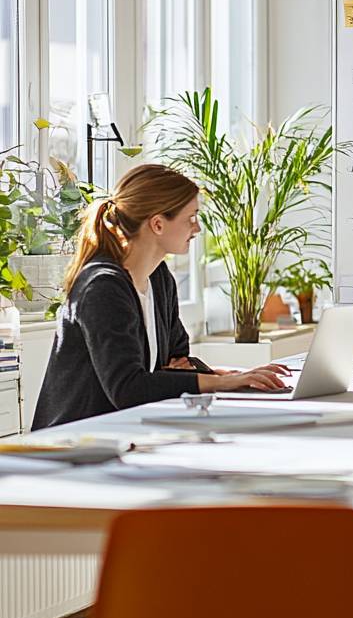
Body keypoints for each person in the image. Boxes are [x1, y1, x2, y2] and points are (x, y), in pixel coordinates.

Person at [33, 164, 289, 431]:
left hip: (125, 430)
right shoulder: (102, 286)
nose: (197, 228)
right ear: (157, 224)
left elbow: (178, 359)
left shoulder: (159, 277)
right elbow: (129, 388)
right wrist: (221, 382)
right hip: (74, 438)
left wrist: (215, 374)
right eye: (191, 218)